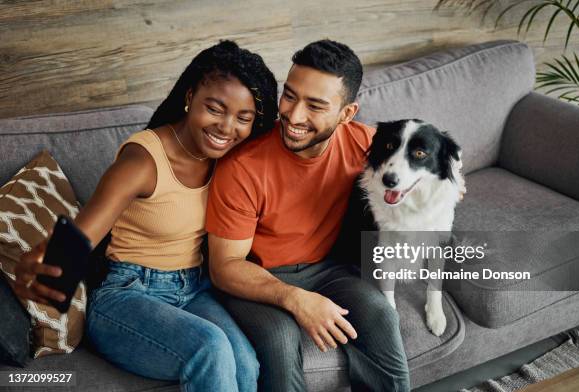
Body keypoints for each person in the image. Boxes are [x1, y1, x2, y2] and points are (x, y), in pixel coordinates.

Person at [13, 40, 278, 392]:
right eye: (215, 109)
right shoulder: (143, 160)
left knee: (246, 363)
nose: (227, 128)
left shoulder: (231, 161)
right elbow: (86, 231)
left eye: (243, 118)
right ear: (190, 97)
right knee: (210, 349)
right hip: (127, 295)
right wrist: (45, 262)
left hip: (193, 289)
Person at [206, 39, 411, 392]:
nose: (293, 115)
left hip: (327, 271)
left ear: (347, 114)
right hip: (255, 275)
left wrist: (445, 182)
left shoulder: (365, 143)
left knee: (380, 315)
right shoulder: (242, 167)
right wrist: (295, 299)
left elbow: (419, 166)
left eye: (315, 105)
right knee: (280, 340)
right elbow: (224, 268)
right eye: (290, 95)